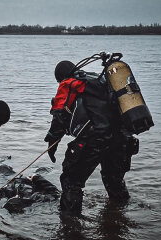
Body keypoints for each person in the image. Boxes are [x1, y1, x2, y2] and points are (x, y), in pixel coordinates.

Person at [44, 60, 139, 213]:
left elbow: (59, 117)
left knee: (71, 181)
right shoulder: (98, 80)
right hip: (121, 139)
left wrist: (51, 143)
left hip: (95, 140)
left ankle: (70, 225)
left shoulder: (69, 84)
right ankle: (121, 217)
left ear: (61, 77)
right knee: (114, 181)